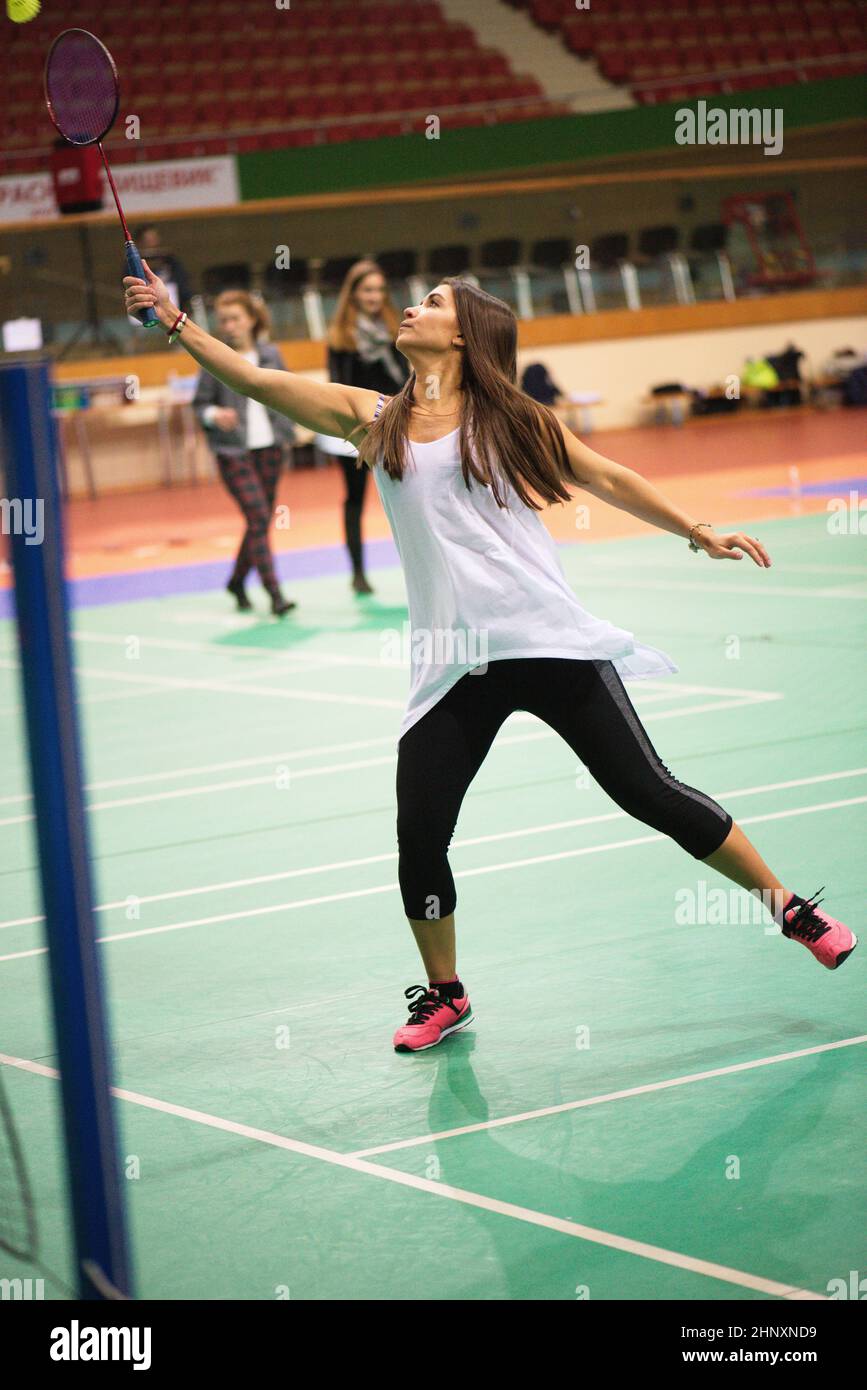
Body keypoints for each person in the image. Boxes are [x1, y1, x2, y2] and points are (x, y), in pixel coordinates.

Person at [124, 266, 858, 1054]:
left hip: (544, 639)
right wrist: (176, 325)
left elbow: (605, 475)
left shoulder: (510, 420)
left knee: (646, 790)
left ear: (464, 336)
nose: (412, 307)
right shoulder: (372, 419)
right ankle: (446, 994)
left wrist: (695, 529)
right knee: (420, 832)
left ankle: (788, 908)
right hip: (452, 665)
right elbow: (255, 380)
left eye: (432, 302)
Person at [192, 290, 297, 616]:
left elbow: (291, 392)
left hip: (270, 447)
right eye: (224, 321)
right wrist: (214, 415)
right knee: (257, 516)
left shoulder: (271, 355)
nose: (230, 326)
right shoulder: (215, 357)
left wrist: (291, 430)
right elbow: (199, 404)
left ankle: (237, 581)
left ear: (252, 320)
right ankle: (274, 592)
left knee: (259, 521)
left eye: (236, 318)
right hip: (233, 450)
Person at [321, 259, 409, 594]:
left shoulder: (393, 329)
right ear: (354, 294)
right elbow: (337, 388)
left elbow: (404, 379)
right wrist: (358, 429)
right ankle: (358, 572)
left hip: (394, 425)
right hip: (356, 432)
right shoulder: (341, 337)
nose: (374, 296)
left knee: (407, 496)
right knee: (355, 499)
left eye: (379, 290)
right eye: (367, 290)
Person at [135, 224, 194, 315]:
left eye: (155, 239)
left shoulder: (170, 259)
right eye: (148, 240)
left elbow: (183, 283)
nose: (153, 243)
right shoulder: (134, 263)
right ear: (141, 243)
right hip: (148, 305)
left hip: (176, 306)